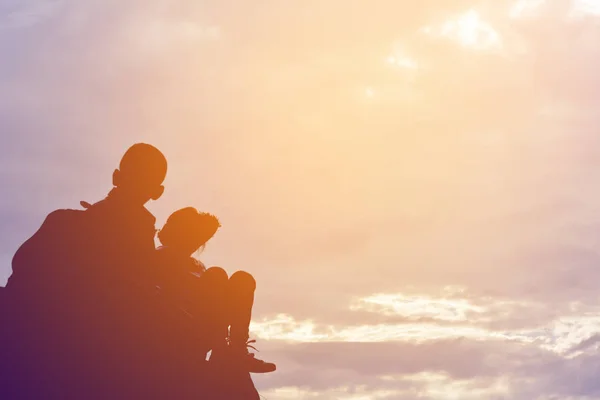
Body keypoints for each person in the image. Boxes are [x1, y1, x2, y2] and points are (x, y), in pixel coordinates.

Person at [2, 143, 169, 399]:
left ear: (116, 176)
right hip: (63, 363)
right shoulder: (65, 223)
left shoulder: (60, 221)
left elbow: (20, 270)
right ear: (157, 193)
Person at [153, 207, 276, 375]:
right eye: (192, 236)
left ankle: (236, 349)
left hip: (208, 322)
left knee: (242, 279)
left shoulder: (197, 265)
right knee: (216, 274)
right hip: (181, 324)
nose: (195, 243)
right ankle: (223, 348)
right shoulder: (159, 257)